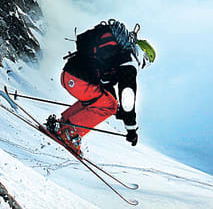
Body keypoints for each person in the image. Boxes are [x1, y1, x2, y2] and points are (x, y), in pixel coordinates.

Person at [46, 19, 156, 157]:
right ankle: (70, 133)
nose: (143, 66)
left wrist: (118, 109)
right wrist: (131, 128)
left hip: (68, 75)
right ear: (143, 55)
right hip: (79, 80)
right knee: (108, 105)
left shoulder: (119, 54)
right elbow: (127, 94)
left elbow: (105, 85)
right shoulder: (130, 60)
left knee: (106, 101)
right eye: (146, 63)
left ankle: (62, 125)